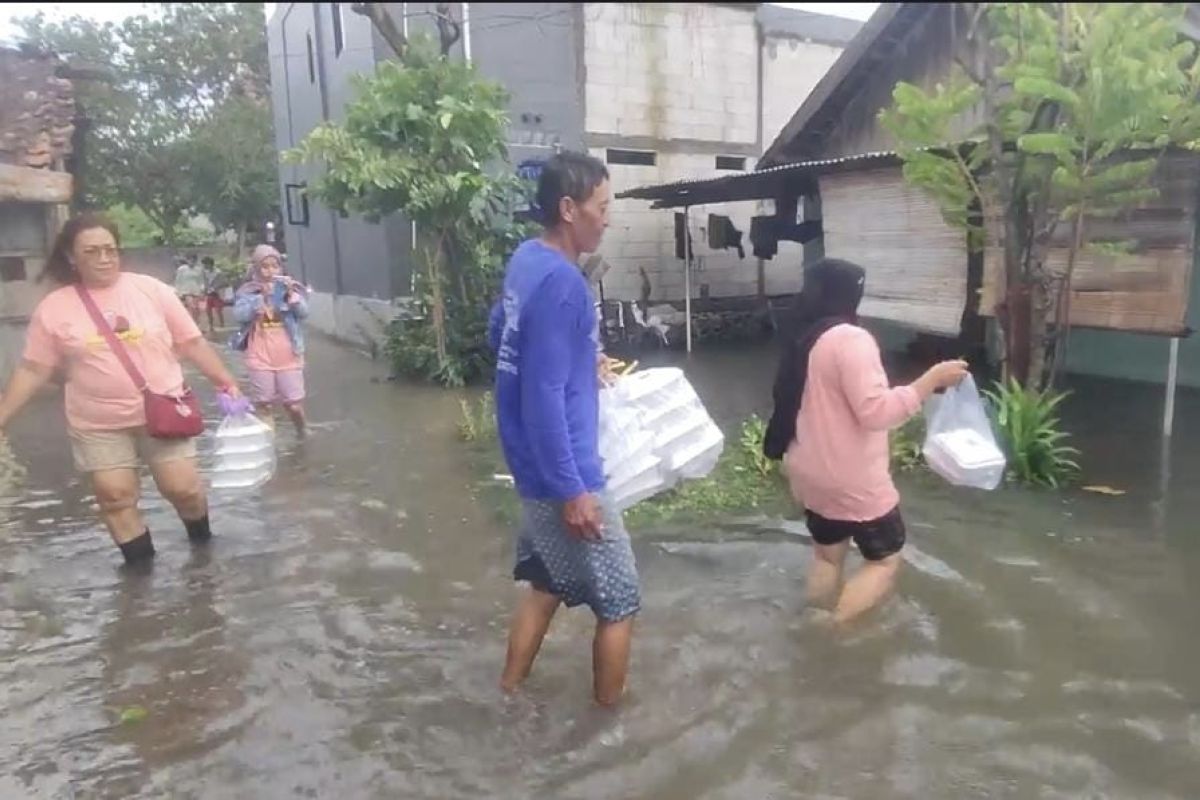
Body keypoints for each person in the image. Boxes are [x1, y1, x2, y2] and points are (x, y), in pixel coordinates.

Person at [0, 212, 242, 566]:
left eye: (110, 250)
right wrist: (3, 416)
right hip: (96, 422)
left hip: (163, 410)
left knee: (184, 489)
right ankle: (141, 581)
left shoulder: (151, 290)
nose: (104, 258)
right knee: (114, 496)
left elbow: (191, 342)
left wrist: (228, 382)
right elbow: (34, 368)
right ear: (71, 257)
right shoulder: (54, 309)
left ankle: (202, 553)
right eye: (92, 251)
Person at [488, 151, 639, 706]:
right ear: (569, 208)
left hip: (528, 464)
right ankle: (608, 729)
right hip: (564, 471)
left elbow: (500, 337)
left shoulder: (526, 260)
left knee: (547, 584)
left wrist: (582, 359)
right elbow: (545, 395)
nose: (608, 218)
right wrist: (574, 491)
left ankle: (508, 692)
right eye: (602, 207)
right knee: (621, 601)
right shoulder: (563, 284)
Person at [763, 258, 968, 625]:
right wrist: (931, 379)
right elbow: (877, 412)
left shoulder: (805, 336)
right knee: (885, 562)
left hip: (808, 473)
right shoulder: (851, 339)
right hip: (851, 480)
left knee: (827, 557)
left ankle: (812, 621)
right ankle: (833, 634)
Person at [232, 244, 308, 435]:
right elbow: (239, 315)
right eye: (265, 266)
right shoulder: (248, 292)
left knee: (293, 405)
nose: (270, 271)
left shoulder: (290, 289)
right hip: (259, 356)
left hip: (289, 355)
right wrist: (261, 299)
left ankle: (302, 431)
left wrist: (292, 297)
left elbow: (304, 313)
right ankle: (269, 443)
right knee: (264, 404)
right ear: (256, 268)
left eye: (275, 266)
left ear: (281, 268)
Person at [174, 256, 205, 325]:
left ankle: (197, 323)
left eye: (193, 261)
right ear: (187, 260)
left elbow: (201, 281)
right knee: (192, 306)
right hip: (186, 291)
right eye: (190, 260)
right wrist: (178, 291)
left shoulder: (199, 270)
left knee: (197, 308)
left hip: (196, 291)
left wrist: (202, 290)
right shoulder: (181, 269)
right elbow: (178, 281)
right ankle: (192, 324)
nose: (191, 262)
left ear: (196, 261)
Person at [201, 256, 226, 334]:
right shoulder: (205, 272)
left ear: (210, 264)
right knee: (208, 310)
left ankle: (222, 323)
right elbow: (205, 282)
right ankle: (211, 325)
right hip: (209, 293)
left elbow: (223, 282)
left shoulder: (218, 272)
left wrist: (215, 288)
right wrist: (205, 290)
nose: (205, 266)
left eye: (206, 264)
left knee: (218, 310)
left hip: (217, 293)